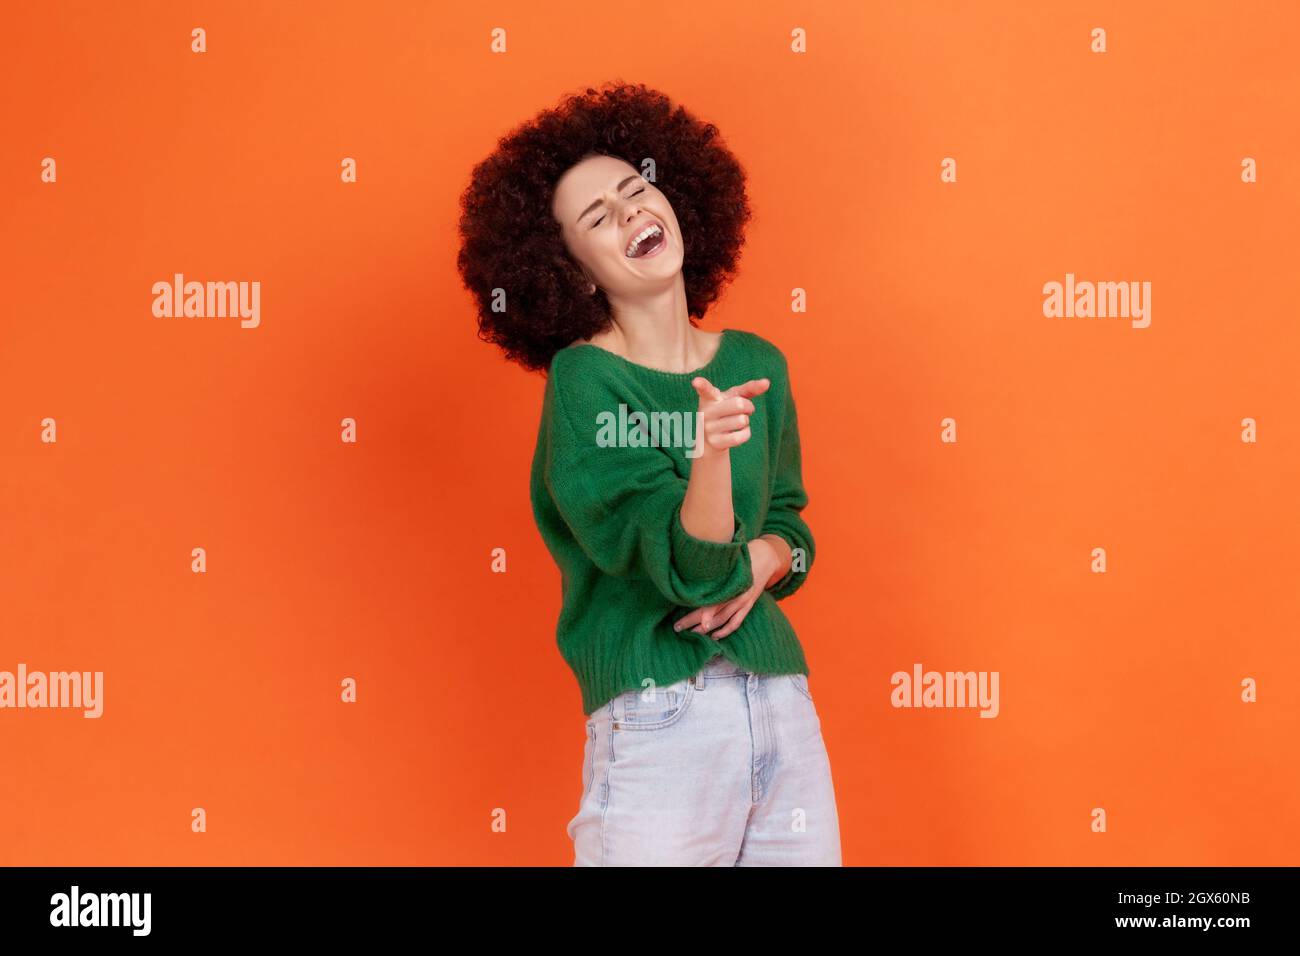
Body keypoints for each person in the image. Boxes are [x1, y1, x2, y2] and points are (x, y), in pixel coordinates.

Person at [456, 81, 841, 865]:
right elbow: (693, 575)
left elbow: (792, 526)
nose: (631, 211)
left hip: (781, 704)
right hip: (663, 718)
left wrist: (770, 560)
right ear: (574, 271)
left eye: (637, 188)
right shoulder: (586, 383)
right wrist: (710, 457)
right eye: (598, 216)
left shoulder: (757, 364)